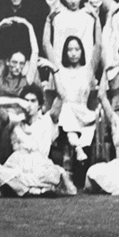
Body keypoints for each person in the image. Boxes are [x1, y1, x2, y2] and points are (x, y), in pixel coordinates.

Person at [0, 84, 77, 196]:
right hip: (17, 169)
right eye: (26, 100)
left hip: (40, 168)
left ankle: (20, 189)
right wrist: (17, 101)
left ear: (39, 105)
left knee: (54, 173)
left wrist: (55, 71)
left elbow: (61, 96)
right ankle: (34, 190)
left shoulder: (48, 120)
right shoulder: (14, 120)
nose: (28, 105)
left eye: (33, 101)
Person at [0, 17, 42, 165]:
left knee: (6, 122)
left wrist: (29, 26)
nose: (17, 66)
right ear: (8, 63)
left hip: (18, 119)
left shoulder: (26, 80)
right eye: (14, 62)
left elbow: (35, 52)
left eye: (21, 64)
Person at [45, 35, 99, 164]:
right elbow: (46, 45)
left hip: (82, 113)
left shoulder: (88, 70)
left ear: (82, 51)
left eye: (77, 49)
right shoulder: (59, 69)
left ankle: (77, 146)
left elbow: (98, 47)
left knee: (70, 110)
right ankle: (78, 147)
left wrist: (97, 20)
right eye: (70, 50)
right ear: (65, 52)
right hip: (64, 114)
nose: (73, 53)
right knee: (66, 106)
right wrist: (48, 21)